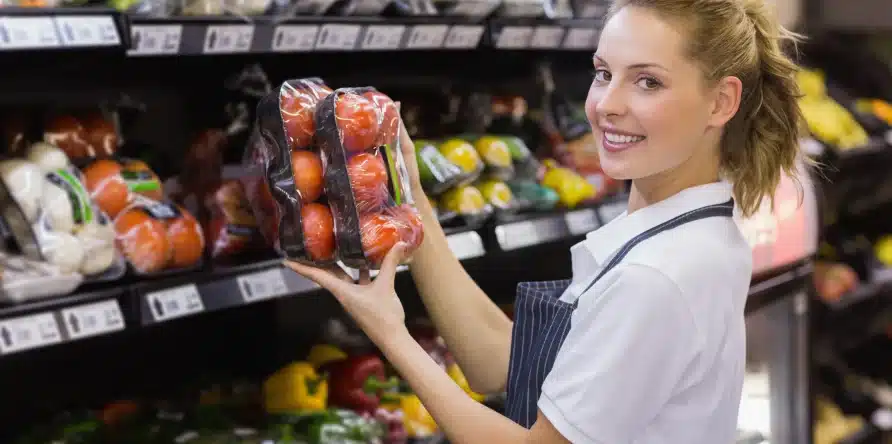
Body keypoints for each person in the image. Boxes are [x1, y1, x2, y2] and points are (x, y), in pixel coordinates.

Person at [286, 0, 804, 442]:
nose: (607, 105)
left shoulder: (656, 277)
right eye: (604, 74)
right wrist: (409, 192)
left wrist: (390, 330)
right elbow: (496, 362)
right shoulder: (693, 234)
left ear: (721, 101)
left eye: (648, 82)